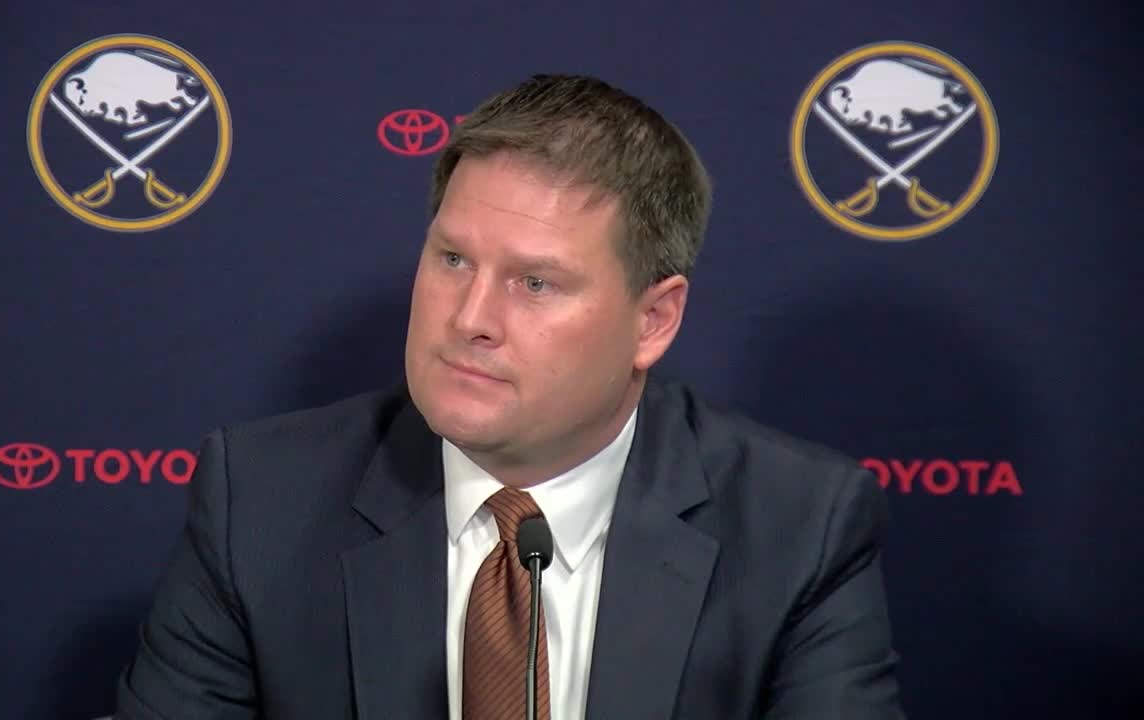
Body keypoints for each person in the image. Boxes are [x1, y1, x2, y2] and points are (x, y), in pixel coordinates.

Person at [115, 73, 904, 719]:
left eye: (535, 282)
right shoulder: (259, 499)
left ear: (653, 321)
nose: (471, 320)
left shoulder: (799, 525)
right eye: (453, 260)